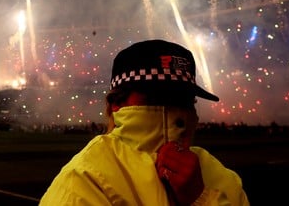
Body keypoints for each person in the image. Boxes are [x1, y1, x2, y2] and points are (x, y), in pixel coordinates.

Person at [40, 39, 249, 205]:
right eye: (155, 96)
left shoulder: (221, 176)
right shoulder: (85, 179)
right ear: (116, 104)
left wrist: (199, 198)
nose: (175, 110)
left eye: (183, 99)